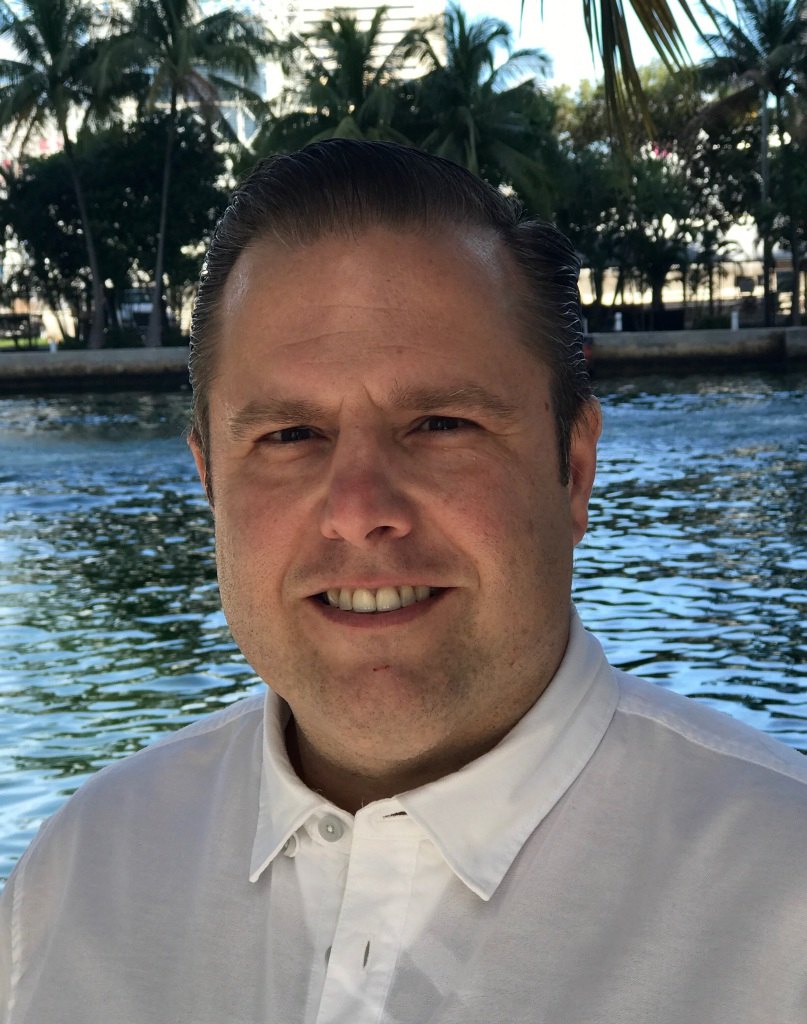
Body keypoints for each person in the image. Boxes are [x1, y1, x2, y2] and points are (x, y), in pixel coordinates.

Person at [1, 140, 805, 1024]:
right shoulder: (78, 876)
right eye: (289, 436)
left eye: (440, 423)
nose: (358, 511)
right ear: (210, 484)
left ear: (572, 472)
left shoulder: (782, 893)